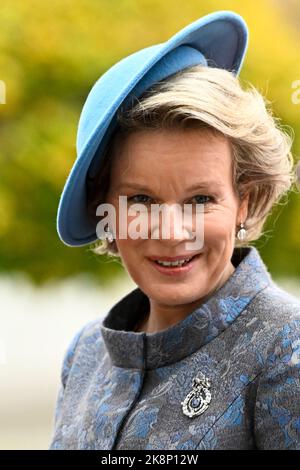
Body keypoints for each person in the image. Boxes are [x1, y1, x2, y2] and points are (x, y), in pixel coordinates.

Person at [49, 11, 300, 450]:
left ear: (244, 198)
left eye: (200, 200)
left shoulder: (286, 352)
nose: (171, 232)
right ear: (102, 207)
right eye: (140, 200)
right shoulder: (86, 354)